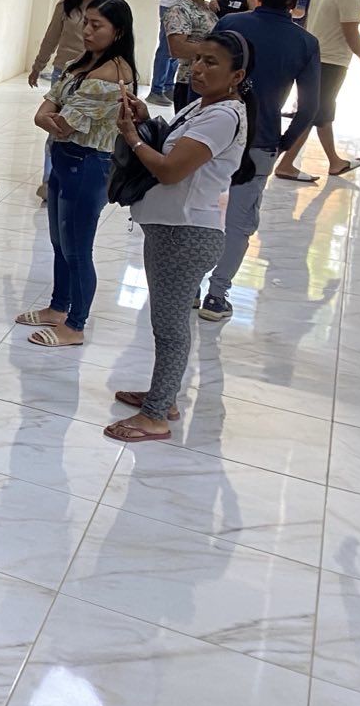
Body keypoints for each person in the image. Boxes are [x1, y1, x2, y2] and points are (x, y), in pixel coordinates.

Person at [107, 31, 252, 442]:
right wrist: (143, 119)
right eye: (198, 59)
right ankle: (163, 395)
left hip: (186, 234)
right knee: (165, 323)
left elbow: (171, 170)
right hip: (171, 230)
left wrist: (132, 138)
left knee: (170, 328)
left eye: (211, 63)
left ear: (237, 76)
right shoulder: (202, 105)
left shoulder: (224, 116)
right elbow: (171, 145)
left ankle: (156, 416)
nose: (199, 69)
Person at [200, 0, 321, 320]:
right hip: (261, 140)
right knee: (239, 222)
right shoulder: (304, 42)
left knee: (199, 209)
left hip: (211, 132)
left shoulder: (231, 24)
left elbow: (201, 72)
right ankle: (216, 296)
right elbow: (310, 106)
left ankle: (189, 287)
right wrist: (285, 142)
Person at [16, 0, 137, 348]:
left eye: (97, 26)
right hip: (64, 159)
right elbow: (45, 111)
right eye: (86, 22)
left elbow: (63, 122)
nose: (87, 31)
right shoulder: (81, 64)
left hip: (88, 165)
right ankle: (58, 307)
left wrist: (51, 117)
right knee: (59, 242)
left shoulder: (112, 75)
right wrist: (49, 117)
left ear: (118, 32)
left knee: (78, 249)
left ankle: (75, 324)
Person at [276, 0, 360, 180]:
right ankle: (285, 163)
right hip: (331, 62)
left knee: (322, 113)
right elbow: (352, 34)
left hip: (315, 58)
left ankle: (335, 161)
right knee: (312, 113)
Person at [29, 0, 112, 197]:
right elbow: (51, 38)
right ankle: (50, 181)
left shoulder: (112, 8)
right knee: (55, 125)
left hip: (96, 78)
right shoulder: (66, 5)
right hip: (65, 75)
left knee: (86, 130)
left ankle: (80, 178)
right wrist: (38, 66)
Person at [164, 0, 220, 110]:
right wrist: (220, 51)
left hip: (211, 83)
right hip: (190, 83)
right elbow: (177, 49)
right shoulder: (179, 10)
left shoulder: (209, 8)